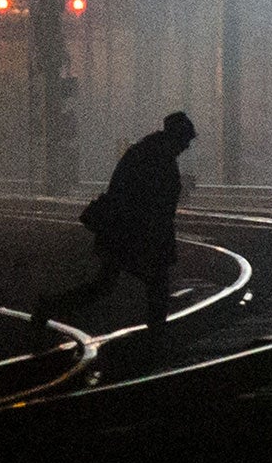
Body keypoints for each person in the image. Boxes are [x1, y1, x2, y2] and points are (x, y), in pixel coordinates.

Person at [36, 111, 195, 349]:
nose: (186, 147)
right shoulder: (158, 159)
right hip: (132, 234)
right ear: (176, 138)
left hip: (122, 232)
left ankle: (49, 306)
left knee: (106, 284)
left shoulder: (144, 153)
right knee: (154, 282)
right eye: (185, 142)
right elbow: (152, 202)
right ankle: (156, 335)